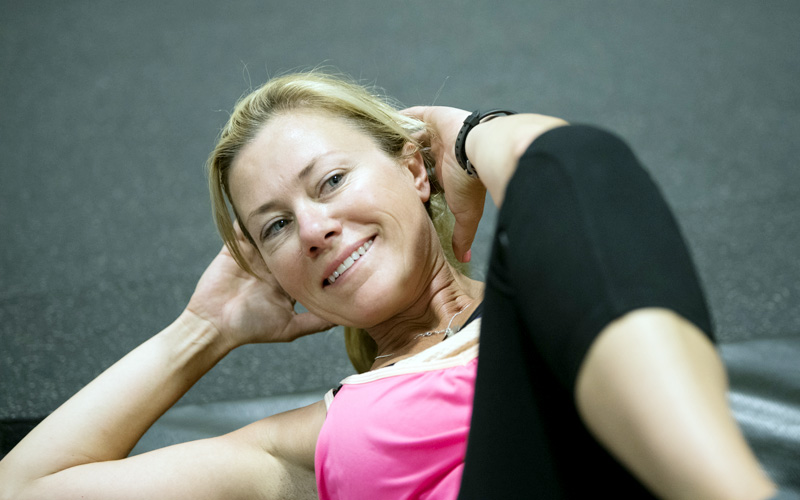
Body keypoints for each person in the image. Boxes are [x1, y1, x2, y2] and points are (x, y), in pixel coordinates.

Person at [0, 71, 777, 500]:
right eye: (275, 227)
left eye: (331, 180)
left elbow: (569, 168)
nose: (311, 228)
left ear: (414, 167)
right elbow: (27, 491)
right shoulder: (312, 442)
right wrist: (203, 330)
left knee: (576, 168)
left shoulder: (556, 294)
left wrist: (468, 137)